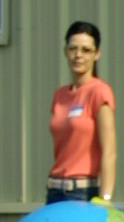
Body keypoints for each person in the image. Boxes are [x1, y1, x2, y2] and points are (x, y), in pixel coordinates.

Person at [47, 21, 116, 204]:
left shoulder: (99, 92)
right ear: (65, 51)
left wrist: (105, 198)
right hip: (54, 190)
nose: (78, 55)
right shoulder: (60, 95)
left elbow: (109, 150)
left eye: (86, 50)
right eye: (73, 49)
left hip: (82, 192)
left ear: (97, 54)